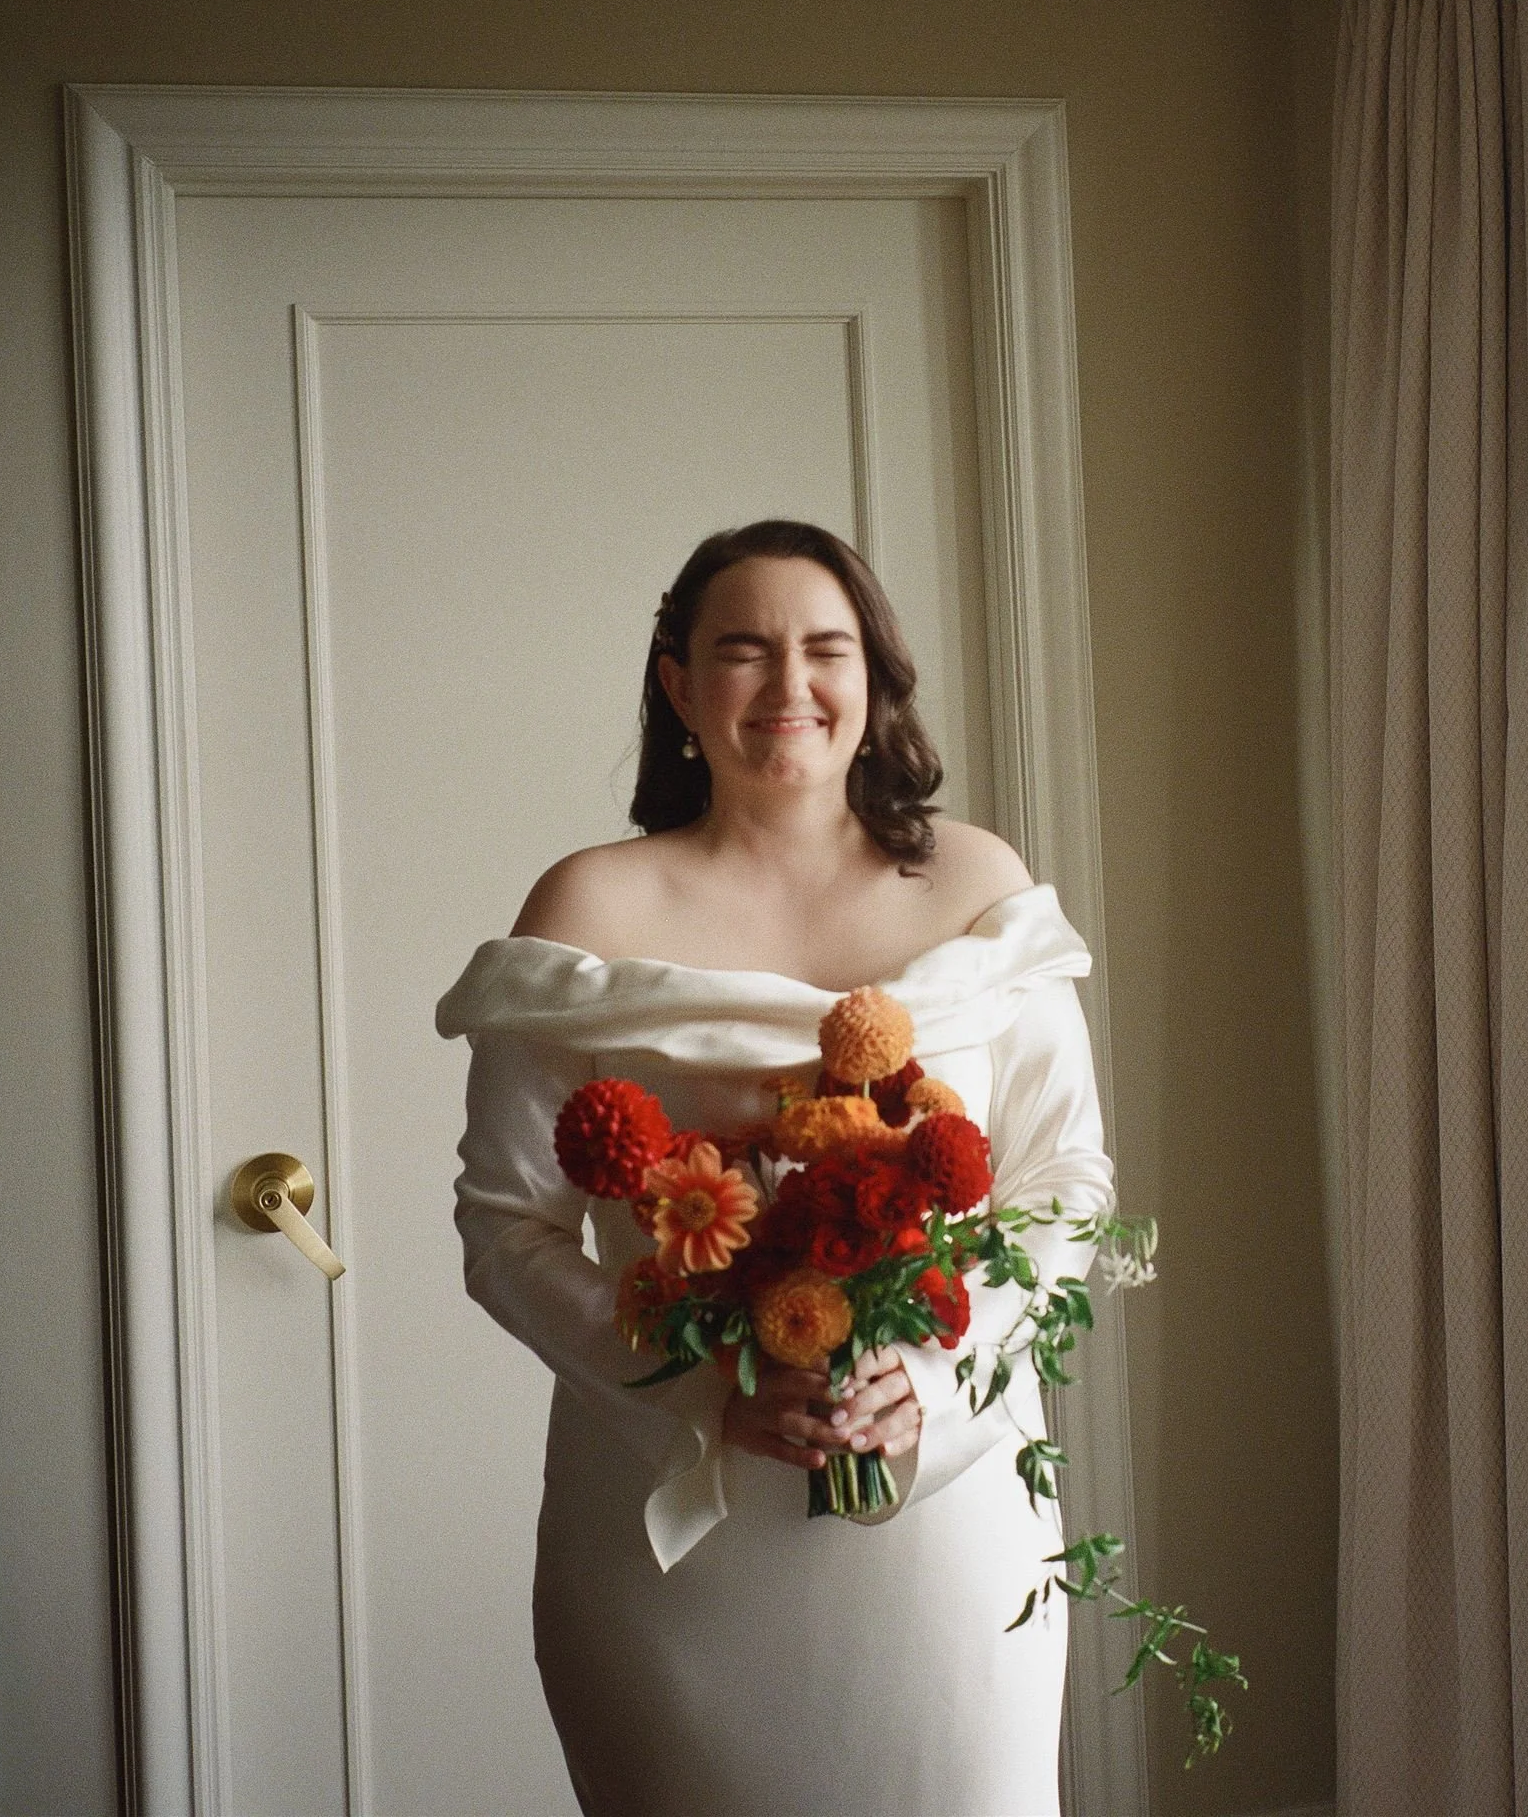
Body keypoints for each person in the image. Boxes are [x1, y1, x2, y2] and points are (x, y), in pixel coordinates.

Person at [435, 519, 1114, 1817]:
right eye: (744, 650)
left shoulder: (979, 883)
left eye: (826, 648)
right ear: (681, 686)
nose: (789, 683)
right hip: (679, 1532)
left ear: (874, 677)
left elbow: (1063, 1179)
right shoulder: (587, 909)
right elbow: (506, 1229)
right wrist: (704, 1387)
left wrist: (931, 1376)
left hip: (944, 1518)